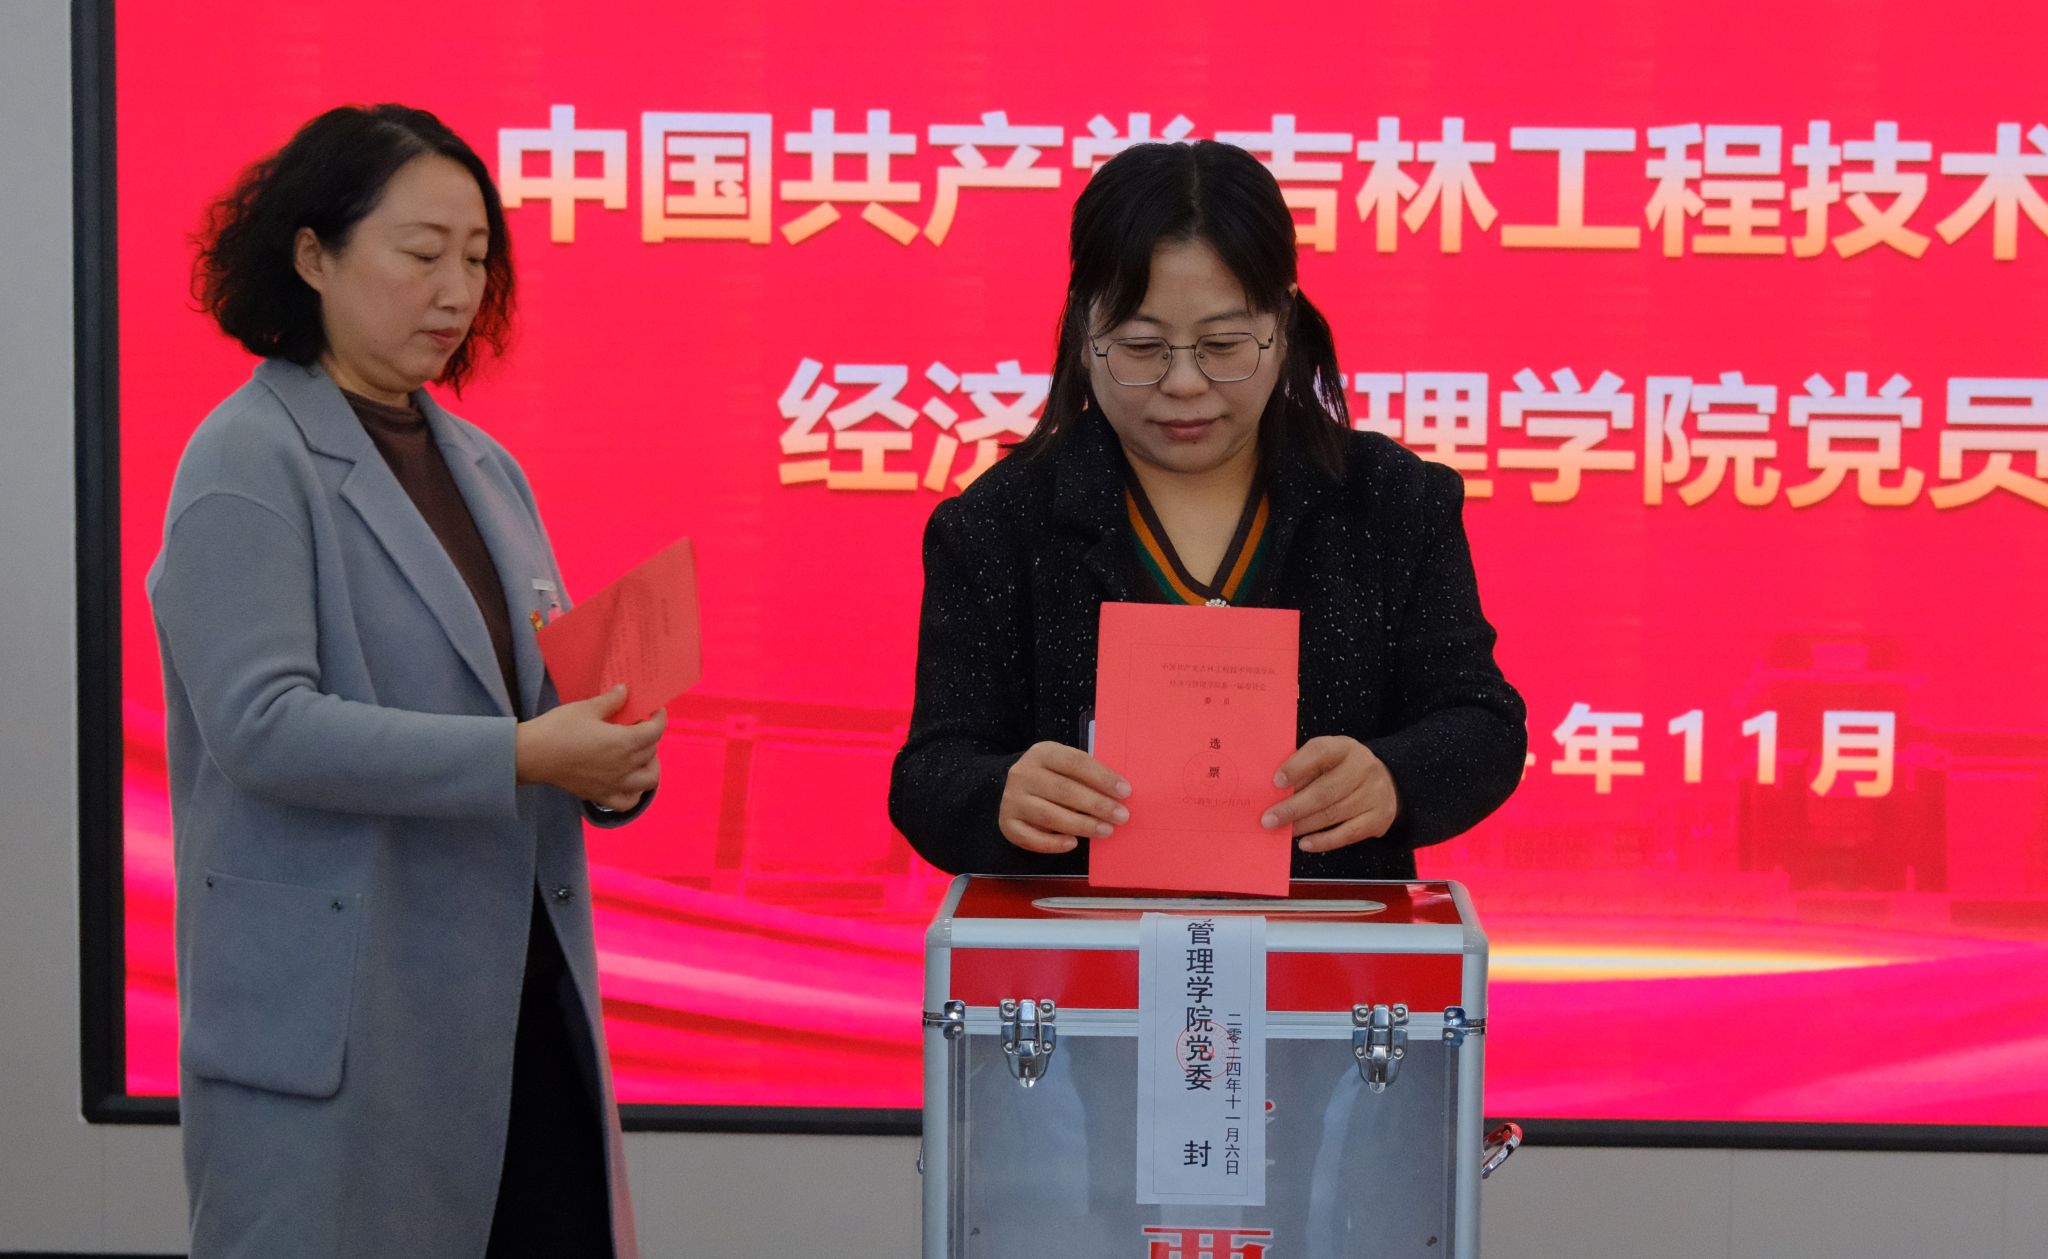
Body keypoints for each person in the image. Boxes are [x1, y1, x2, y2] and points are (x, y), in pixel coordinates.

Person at [149, 104, 657, 1257]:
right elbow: (263, 725)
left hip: (515, 988)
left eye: (476, 258)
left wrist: (607, 759)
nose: (457, 289)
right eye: (422, 252)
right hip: (350, 1006)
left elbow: (527, 696)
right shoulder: (246, 454)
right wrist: (524, 754)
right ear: (312, 254)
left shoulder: (483, 462)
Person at [889, 140, 1526, 880]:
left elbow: (1483, 723)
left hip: (1330, 944)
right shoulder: (995, 525)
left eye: (1223, 344)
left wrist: (1393, 777)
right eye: (1142, 346)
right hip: (1080, 945)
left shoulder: (1393, 501)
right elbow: (929, 773)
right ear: (1084, 334)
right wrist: (1000, 794)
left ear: (1283, 324)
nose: (1185, 383)